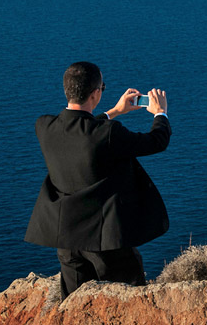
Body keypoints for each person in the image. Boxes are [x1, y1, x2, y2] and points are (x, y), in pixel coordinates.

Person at [24, 61, 171, 299]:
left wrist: (115, 111)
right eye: (102, 86)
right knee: (129, 302)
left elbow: (82, 130)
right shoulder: (108, 133)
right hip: (106, 241)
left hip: (67, 241)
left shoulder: (44, 126)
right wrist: (160, 113)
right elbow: (157, 141)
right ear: (95, 93)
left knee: (73, 305)